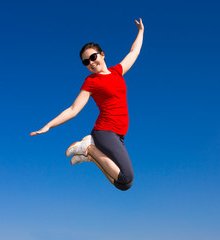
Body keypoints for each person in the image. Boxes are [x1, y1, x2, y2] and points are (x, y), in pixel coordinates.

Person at [30, 18, 144, 191]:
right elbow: (73, 109)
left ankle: (88, 153)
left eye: (93, 57)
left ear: (102, 54)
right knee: (126, 176)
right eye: (86, 62)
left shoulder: (117, 72)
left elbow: (133, 52)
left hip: (120, 134)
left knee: (123, 184)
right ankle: (88, 148)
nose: (90, 63)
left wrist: (141, 32)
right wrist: (48, 126)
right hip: (105, 131)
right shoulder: (91, 82)